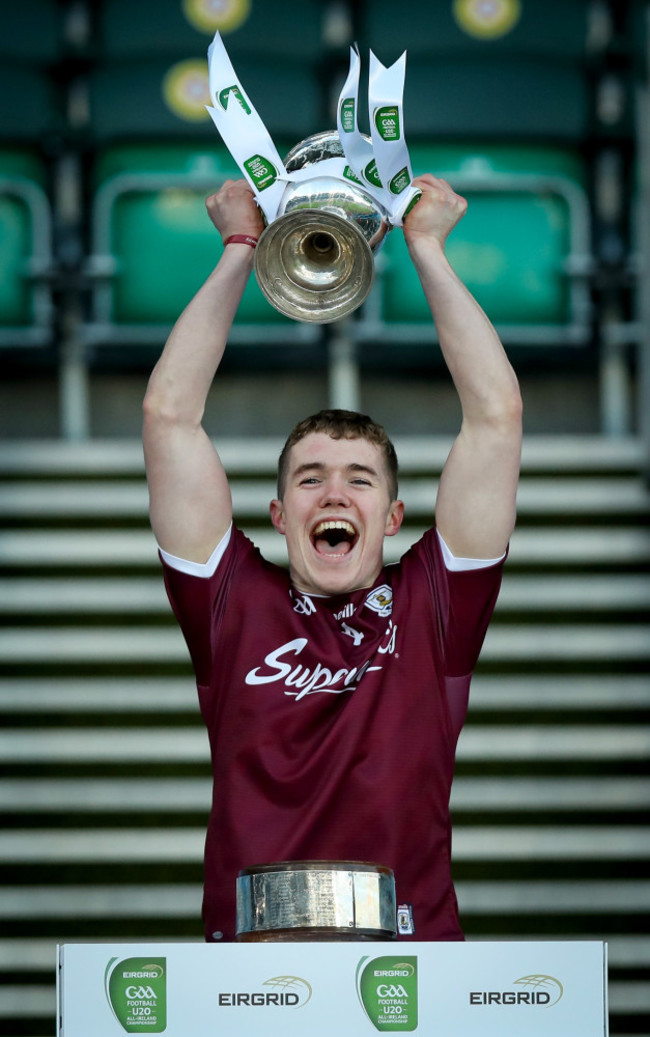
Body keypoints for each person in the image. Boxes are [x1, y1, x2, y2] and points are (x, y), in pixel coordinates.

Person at [142, 174, 522, 943]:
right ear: (280, 515)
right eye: (310, 479)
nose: (333, 495)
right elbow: (169, 418)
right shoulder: (232, 603)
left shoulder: (434, 608)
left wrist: (428, 251)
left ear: (392, 517)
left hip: (412, 973)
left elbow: (496, 418)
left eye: (358, 480)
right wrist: (240, 249)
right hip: (246, 979)